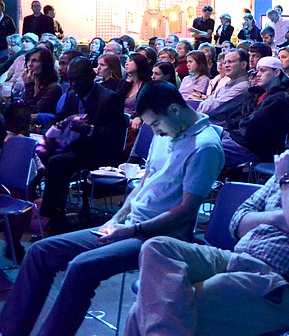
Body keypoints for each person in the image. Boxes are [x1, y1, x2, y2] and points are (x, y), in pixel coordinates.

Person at [123, 99, 289, 336]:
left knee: (147, 311)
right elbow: (237, 222)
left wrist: (287, 182)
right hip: (236, 260)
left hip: (278, 286)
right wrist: (279, 217)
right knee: (157, 247)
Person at [0, 80, 224, 336]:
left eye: (156, 124)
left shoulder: (205, 146)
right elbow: (143, 183)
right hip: (132, 226)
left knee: (82, 268)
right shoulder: (167, 128)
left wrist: (131, 230)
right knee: (41, 252)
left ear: (174, 109)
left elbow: (185, 211)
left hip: (163, 239)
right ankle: (10, 331)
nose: (155, 131)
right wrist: (117, 219)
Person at [38, 57, 127, 231]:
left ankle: (52, 217)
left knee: (57, 162)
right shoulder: (72, 95)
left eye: (77, 79)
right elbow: (61, 119)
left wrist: (90, 129)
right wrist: (51, 131)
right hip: (76, 147)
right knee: (40, 152)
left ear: (91, 76)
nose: (73, 84)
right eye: (70, 79)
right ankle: (47, 210)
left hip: (102, 152)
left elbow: (115, 136)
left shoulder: (109, 98)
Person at [220, 56, 289, 167]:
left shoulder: (280, 99)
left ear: (276, 72)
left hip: (256, 150)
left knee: (207, 149)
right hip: (239, 140)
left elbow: (249, 128)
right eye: (257, 70)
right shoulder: (258, 94)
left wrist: (239, 124)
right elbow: (234, 119)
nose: (258, 74)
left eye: (263, 70)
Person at [197, 48, 252, 125]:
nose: (226, 65)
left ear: (243, 65)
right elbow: (206, 105)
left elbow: (209, 109)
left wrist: (204, 105)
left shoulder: (243, 88)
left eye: (230, 62)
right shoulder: (228, 83)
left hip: (222, 131)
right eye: (225, 62)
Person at [22, 47, 61, 115]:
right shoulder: (30, 82)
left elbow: (33, 113)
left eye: (35, 61)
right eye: (28, 60)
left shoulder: (53, 88)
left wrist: (29, 86)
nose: (30, 65)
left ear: (45, 64)